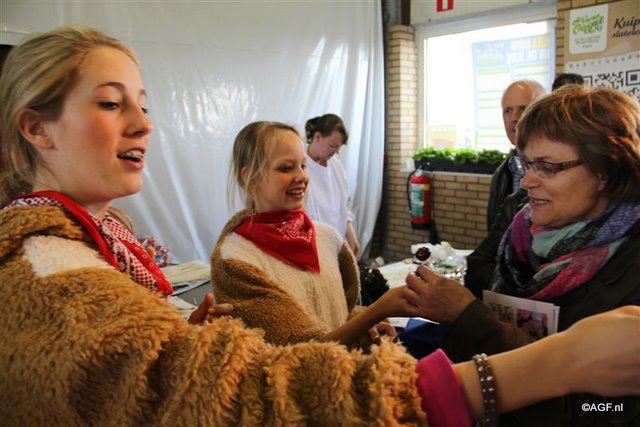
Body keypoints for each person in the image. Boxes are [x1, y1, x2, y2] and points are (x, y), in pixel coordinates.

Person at [1, 25, 639, 427]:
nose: (143, 123)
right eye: (110, 104)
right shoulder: (58, 274)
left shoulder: (323, 238)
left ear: (608, 173)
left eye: (143, 105)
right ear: (36, 128)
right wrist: (544, 363)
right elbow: (267, 390)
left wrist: (178, 338)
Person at [406, 85, 640, 426]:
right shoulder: (521, 219)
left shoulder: (631, 262)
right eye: (527, 163)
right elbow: (479, 270)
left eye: (547, 166)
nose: (527, 180)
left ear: (604, 171)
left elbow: (605, 411)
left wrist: (470, 317)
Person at [212, 120, 399, 348]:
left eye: (303, 165)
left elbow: (343, 311)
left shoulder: (329, 239)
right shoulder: (236, 260)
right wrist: (378, 310)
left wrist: (366, 326)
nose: (302, 176)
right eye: (286, 168)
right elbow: (299, 349)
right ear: (250, 177)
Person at [465, 80, 545, 296]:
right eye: (508, 111)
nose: (514, 118)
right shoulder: (501, 174)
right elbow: (490, 248)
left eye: (523, 109)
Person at [304, 114, 360, 257]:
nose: (336, 152)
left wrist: (351, 235)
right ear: (317, 137)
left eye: (339, 147)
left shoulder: (336, 165)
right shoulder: (301, 166)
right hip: (312, 245)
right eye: (332, 146)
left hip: (336, 244)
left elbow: (344, 205)